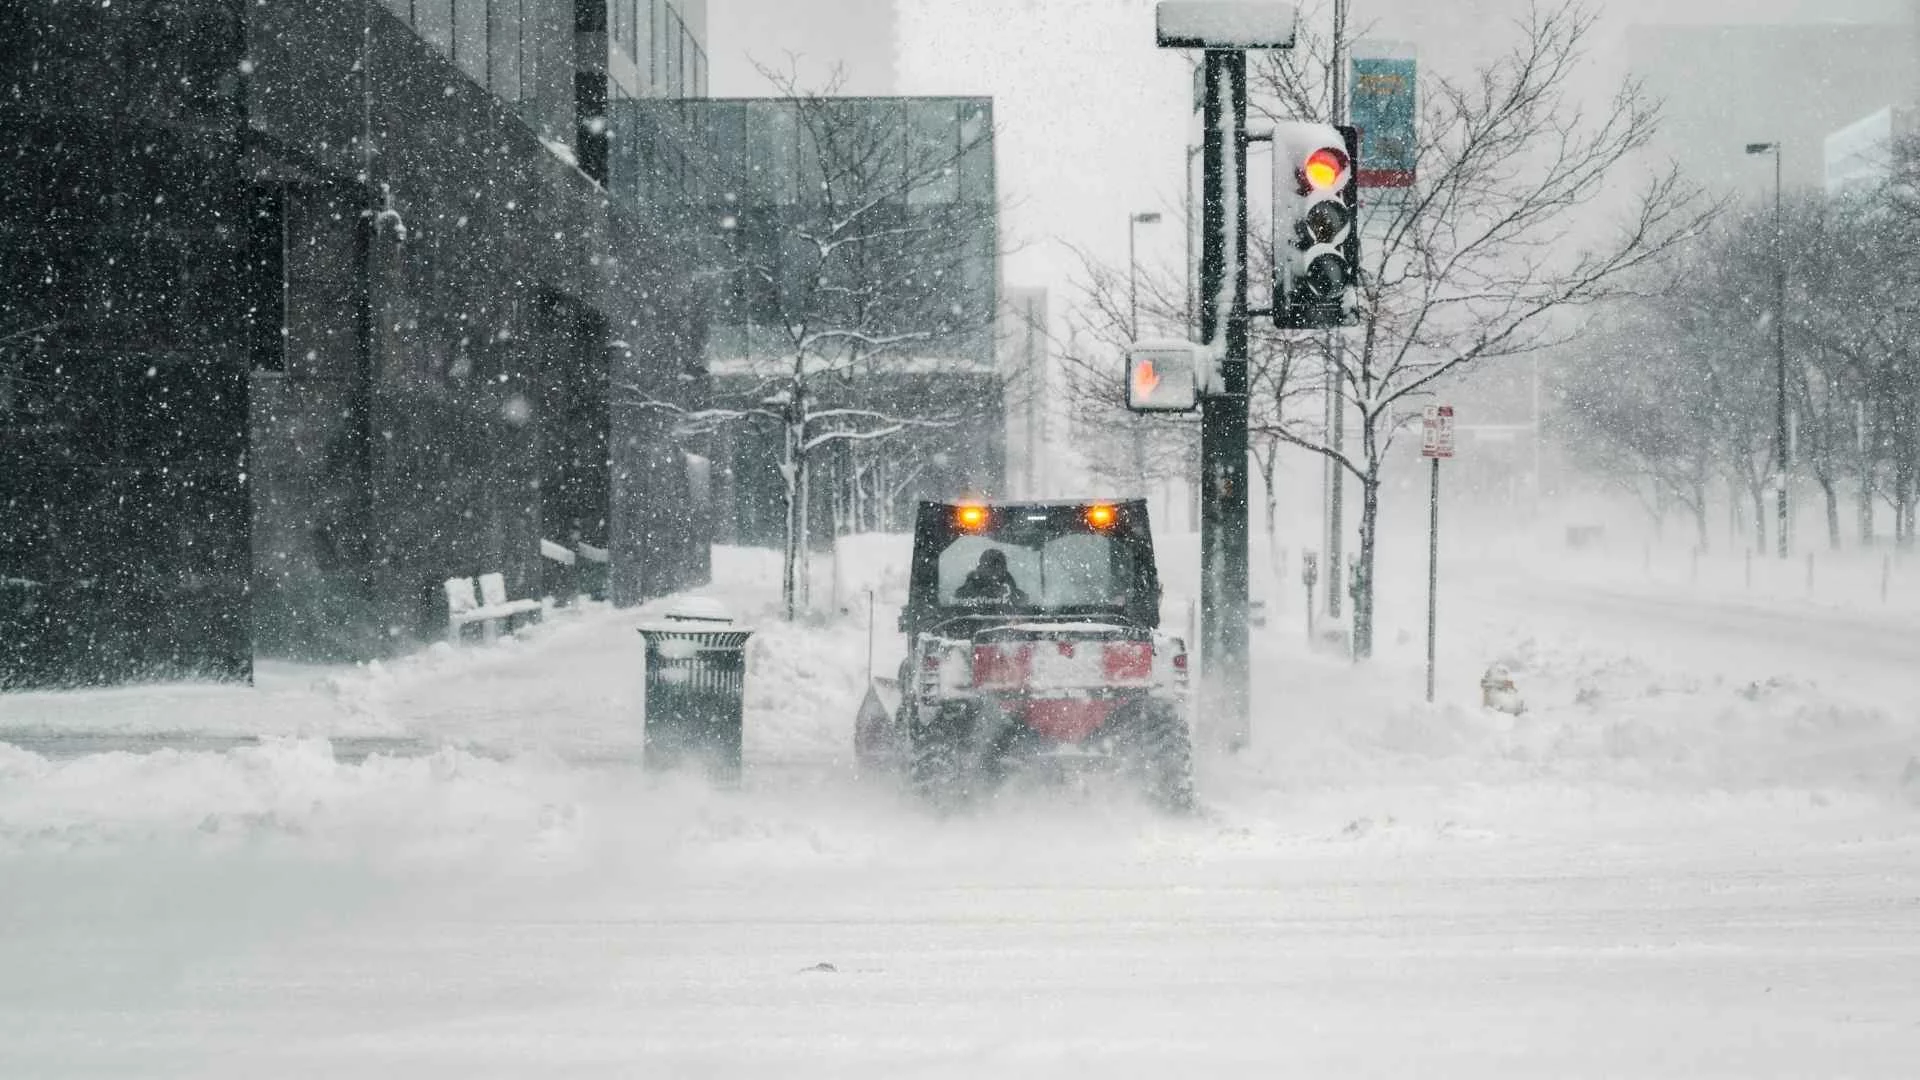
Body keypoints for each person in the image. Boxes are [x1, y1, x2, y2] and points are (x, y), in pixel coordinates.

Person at [955, 548, 1028, 604]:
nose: (994, 572)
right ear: (979, 568)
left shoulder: (1018, 597)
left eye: (999, 567)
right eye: (989, 566)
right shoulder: (963, 595)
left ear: (1004, 569)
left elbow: (1027, 621)